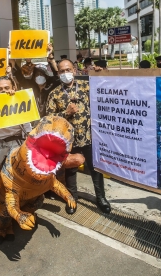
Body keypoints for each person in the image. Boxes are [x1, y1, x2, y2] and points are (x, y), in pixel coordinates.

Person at [46, 59, 111, 214]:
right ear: (58, 73)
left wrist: (101, 73)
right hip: (69, 140)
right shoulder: (54, 94)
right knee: (71, 170)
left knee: (96, 169)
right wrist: (66, 113)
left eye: (68, 70)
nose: (65, 73)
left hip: (90, 137)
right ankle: (72, 199)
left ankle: (101, 198)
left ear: (74, 70)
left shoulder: (87, 86)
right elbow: (49, 120)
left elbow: (107, 88)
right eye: (61, 71)